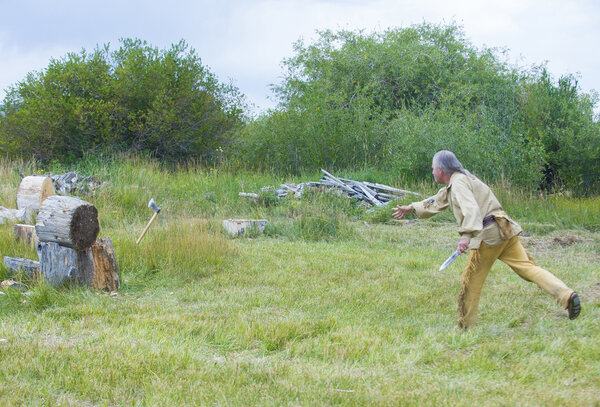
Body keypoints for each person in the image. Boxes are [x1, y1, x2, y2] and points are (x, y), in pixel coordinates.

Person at [393, 150, 581, 329]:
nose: (432, 171)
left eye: (433, 167)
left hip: (488, 236)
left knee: (471, 282)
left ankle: (465, 327)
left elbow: (472, 210)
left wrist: (466, 237)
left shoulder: (459, 183)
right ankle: (566, 295)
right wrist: (411, 207)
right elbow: (438, 199)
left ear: (441, 169)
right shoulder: (463, 179)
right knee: (528, 268)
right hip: (504, 229)